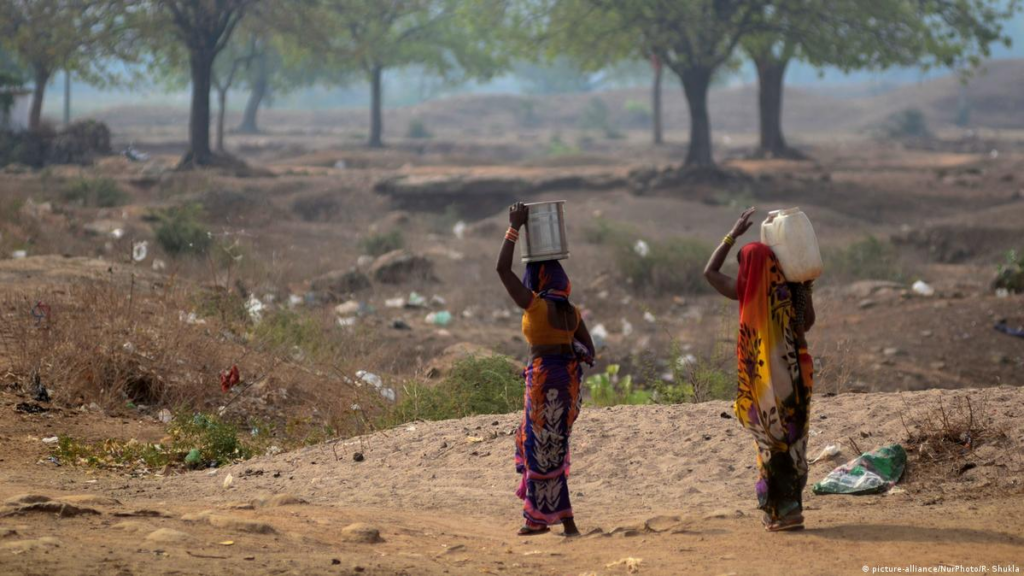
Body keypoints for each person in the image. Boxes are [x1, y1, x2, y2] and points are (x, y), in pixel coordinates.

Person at [703, 207, 816, 532]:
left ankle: (779, 513)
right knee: (793, 441)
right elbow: (806, 324)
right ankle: (792, 509)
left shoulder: (745, 291)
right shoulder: (792, 289)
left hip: (764, 387)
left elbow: (709, 272)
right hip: (795, 380)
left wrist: (732, 235)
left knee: (771, 445)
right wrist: (805, 286)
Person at [496, 202, 595, 537]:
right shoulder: (572, 310)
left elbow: (502, 270)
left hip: (543, 382)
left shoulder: (535, 305)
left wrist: (514, 228)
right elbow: (590, 350)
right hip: (567, 384)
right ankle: (552, 520)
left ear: (538, 277)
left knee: (541, 449)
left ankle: (550, 521)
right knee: (549, 444)